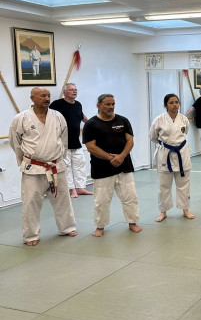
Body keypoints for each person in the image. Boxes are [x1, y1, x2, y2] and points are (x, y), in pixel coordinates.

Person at [9, 87, 78, 245]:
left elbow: (64, 140)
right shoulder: (21, 118)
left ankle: (67, 227)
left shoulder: (58, 116)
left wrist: (60, 159)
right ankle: (31, 235)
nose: (47, 98)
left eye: (48, 95)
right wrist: (24, 162)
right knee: (31, 203)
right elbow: (15, 143)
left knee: (63, 199)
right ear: (32, 98)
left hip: (56, 165)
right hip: (33, 167)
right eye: (42, 96)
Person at [82, 94, 142, 237]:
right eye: (107, 104)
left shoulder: (123, 120)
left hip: (124, 166)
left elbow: (130, 141)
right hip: (101, 168)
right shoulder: (91, 124)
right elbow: (91, 147)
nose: (111, 107)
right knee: (101, 200)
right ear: (98, 105)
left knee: (130, 197)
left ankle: (132, 222)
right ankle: (100, 226)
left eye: (113, 104)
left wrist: (121, 156)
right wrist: (110, 158)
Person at [150, 93, 195, 223]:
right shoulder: (159, 120)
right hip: (165, 154)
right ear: (166, 105)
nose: (175, 105)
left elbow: (185, 133)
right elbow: (153, 137)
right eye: (171, 103)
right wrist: (166, 145)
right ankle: (163, 211)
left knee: (184, 183)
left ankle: (185, 209)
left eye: (176, 102)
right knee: (163, 185)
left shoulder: (184, 119)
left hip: (182, 152)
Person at [50, 83, 93, 198]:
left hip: (76, 141)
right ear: (64, 92)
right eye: (71, 90)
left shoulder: (78, 104)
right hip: (63, 142)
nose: (74, 91)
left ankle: (80, 188)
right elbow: (48, 118)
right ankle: (72, 189)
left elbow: (82, 117)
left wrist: (93, 125)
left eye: (75, 90)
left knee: (80, 164)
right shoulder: (57, 104)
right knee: (66, 166)